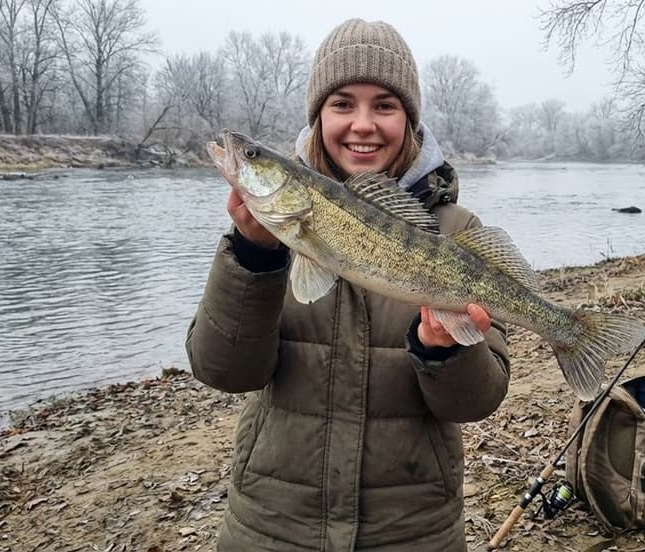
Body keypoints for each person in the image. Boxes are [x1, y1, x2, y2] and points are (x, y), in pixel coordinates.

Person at [186, 18, 510, 552]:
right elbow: (224, 371)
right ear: (317, 118)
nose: (363, 124)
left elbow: (476, 403)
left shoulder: (456, 232)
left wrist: (445, 352)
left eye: (385, 105)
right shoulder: (270, 230)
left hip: (412, 532)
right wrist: (253, 257)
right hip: (271, 528)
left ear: (410, 119)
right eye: (341, 104)